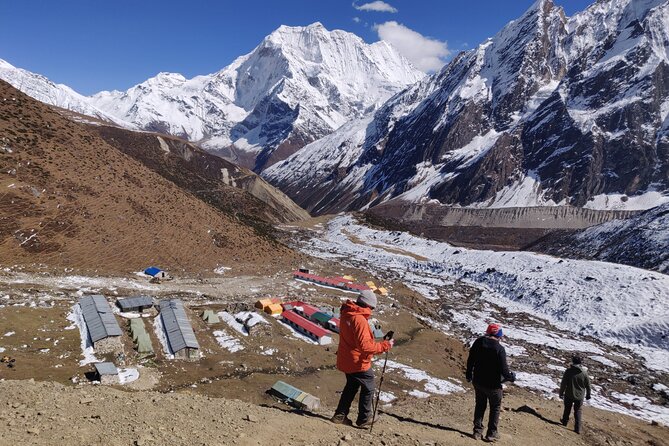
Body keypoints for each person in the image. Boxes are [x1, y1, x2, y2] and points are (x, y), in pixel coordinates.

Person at [331, 290, 393, 428]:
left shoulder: (347, 314)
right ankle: (364, 418)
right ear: (369, 305)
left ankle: (340, 415)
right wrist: (386, 345)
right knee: (368, 387)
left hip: (346, 358)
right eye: (372, 308)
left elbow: (356, 340)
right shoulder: (359, 319)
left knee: (351, 386)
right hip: (357, 362)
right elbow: (365, 347)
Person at [466, 323, 516, 442]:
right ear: (499, 335)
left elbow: (470, 359)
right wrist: (511, 377)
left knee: (480, 405)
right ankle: (491, 434)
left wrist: (469, 374)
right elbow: (504, 371)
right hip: (493, 385)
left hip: (478, 381)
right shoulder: (499, 349)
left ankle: (477, 432)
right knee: (495, 407)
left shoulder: (478, 342)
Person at [559, 355, 592, 434]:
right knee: (578, 411)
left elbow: (563, 384)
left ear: (573, 362)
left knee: (567, 408)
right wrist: (588, 395)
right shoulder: (584, 373)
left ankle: (564, 422)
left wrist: (561, 393)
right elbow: (588, 385)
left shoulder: (568, 371)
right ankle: (578, 428)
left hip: (569, 394)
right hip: (580, 396)